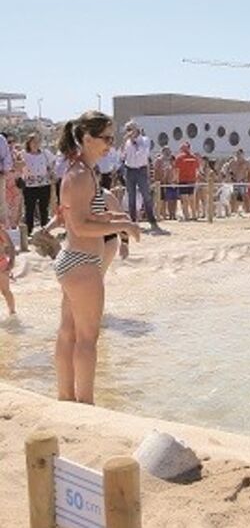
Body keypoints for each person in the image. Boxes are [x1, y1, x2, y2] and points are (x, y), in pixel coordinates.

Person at [54, 111, 141, 404]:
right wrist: (122, 225)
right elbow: (79, 226)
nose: (110, 145)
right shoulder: (80, 175)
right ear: (87, 138)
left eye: (112, 139)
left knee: (68, 332)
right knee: (87, 339)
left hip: (73, 261)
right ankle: (86, 404)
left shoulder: (85, 172)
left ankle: (66, 399)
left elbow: (89, 216)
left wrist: (118, 219)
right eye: (106, 138)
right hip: (82, 263)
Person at [120, 120, 157, 228]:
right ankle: (133, 220)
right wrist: (124, 144)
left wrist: (134, 142)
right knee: (131, 196)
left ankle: (151, 219)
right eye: (127, 130)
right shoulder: (127, 142)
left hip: (141, 170)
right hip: (129, 170)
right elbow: (122, 156)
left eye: (130, 129)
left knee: (146, 195)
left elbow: (143, 153)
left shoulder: (145, 140)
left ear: (136, 129)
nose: (128, 132)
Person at [21, 133, 55, 236]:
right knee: (29, 209)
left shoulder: (45, 153)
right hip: (29, 186)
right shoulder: (24, 154)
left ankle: (44, 230)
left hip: (44, 184)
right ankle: (29, 231)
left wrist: (50, 171)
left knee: (44, 208)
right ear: (29, 143)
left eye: (38, 141)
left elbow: (53, 162)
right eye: (34, 142)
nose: (36, 144)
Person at [174, 142, 200, 221]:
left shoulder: (179, 158)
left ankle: (187, 216)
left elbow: (177, 170)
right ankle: (194, 215)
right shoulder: (194, 157)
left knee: (184, 198)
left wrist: (175, 180)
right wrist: (196, 179)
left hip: (183, 180)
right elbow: (197, 170)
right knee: (192, 198)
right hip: (192, 180)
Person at [0, 227, 16, 318]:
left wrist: (11, 262)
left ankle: (12, 312)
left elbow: (11, 245)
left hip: (1, 264)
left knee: (5, 291)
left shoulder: (1, 231)